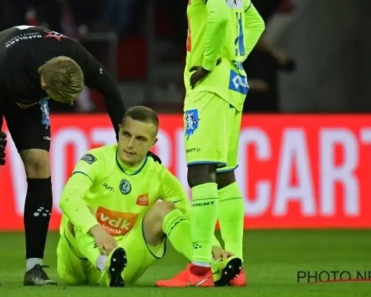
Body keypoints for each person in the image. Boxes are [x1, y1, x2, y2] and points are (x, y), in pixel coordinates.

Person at [0, 25, 160, 287]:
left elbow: (110, 90)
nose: (69, 104)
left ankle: (34, 268)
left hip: (27, 88)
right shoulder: (0, 70)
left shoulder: (75, 56)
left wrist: (124, 145)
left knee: (39, 164)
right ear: (44, 85)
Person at [158, 0, 266, 287]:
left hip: (211, 84)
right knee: (224, 173)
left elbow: (218, 16)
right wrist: (234, 57)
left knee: (200, 170)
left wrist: (207, 62)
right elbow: (255, 22)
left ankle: (200, 268)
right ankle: (235, 263)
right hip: (233, 82)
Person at [57, 106, 242, 287]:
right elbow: (68, 198)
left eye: (140, 139)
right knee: (81, 212)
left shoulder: (159, 176)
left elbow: (188, 213)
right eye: (126, 135)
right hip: (76, 265)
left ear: (153, 142)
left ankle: (211, 264)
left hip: (122, 264)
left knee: (165, 210)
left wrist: (212, 246)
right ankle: (103, 262)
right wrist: (96, 229)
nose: (130, 144)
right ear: (119, 131)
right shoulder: (97, 160)